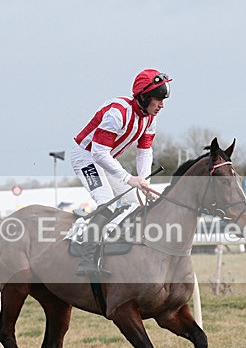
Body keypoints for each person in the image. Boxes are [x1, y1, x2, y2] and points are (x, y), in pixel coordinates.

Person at [70, 69, 172, 276]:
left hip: (106, 159)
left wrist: (143, 182)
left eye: (163, 100)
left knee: (135, 202)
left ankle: (112, 244)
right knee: (106, 203)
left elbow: (145, 151)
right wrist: (128, 178)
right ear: (143, 97)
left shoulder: (149, 119)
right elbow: (98, 153)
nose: (162, 105)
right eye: (158, 99)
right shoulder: (117, 114)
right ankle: (86, 258)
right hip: (86, 157)